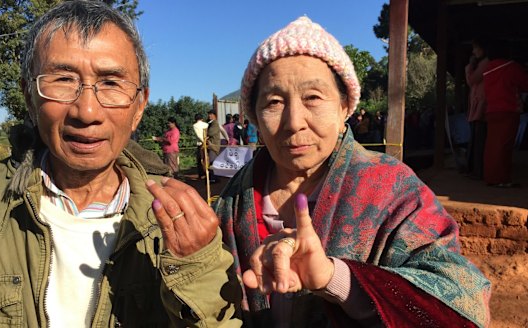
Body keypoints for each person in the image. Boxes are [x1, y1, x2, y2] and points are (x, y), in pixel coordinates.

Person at [0, 2, 241, 327]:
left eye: (112, 83)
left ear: (139, 105)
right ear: (30, 97)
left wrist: (194, 267)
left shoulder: (183, 225)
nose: (86, 112)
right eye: (63, 79)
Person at [213, 17, 490, 327]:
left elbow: (464, 301)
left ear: (345, 106)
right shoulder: (233, 200)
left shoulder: (393, 188)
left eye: (313, 98)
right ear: (256, 117)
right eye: (274, 101)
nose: (294, 121)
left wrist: (335, 278)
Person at [482, 40, 528, 187]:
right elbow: (525, 83)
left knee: (492, 145)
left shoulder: (487, 69)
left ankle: (490, 177)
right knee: (505, 146)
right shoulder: (511, 67)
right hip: (508, 110)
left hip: (491, 111)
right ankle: (502, 179)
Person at [464, 38, 489, 180]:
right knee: (475, 140)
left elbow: (472, 80)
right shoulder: (482, 64)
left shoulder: (485, 64)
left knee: (479, 141)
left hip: (480, 107)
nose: (474, 52)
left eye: (476, 48)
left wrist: (469, 68)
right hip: (477, 106)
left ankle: (478, 171)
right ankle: (474, 169)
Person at [206, 109, 227, 183]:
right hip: (211, 145)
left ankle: (213, 178)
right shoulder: (210, 123)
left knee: (212, 162)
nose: (209, 116)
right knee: (212, 161)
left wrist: (205, 132)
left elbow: (211, 133)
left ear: (215, 115)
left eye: (211, 114)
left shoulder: (215, 123)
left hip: (213, 146)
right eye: (209, 114)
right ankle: (213, 177)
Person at [192, 113, 209, 179]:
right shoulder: (206, 124)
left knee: (200, 159)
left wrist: (203, 141)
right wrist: (206, 141)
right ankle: (207, 173)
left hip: (200, 144)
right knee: (206, 158)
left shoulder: (195, 125)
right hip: (206, 142)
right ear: (202, 118)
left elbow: (198, 135)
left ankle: (201, 174)